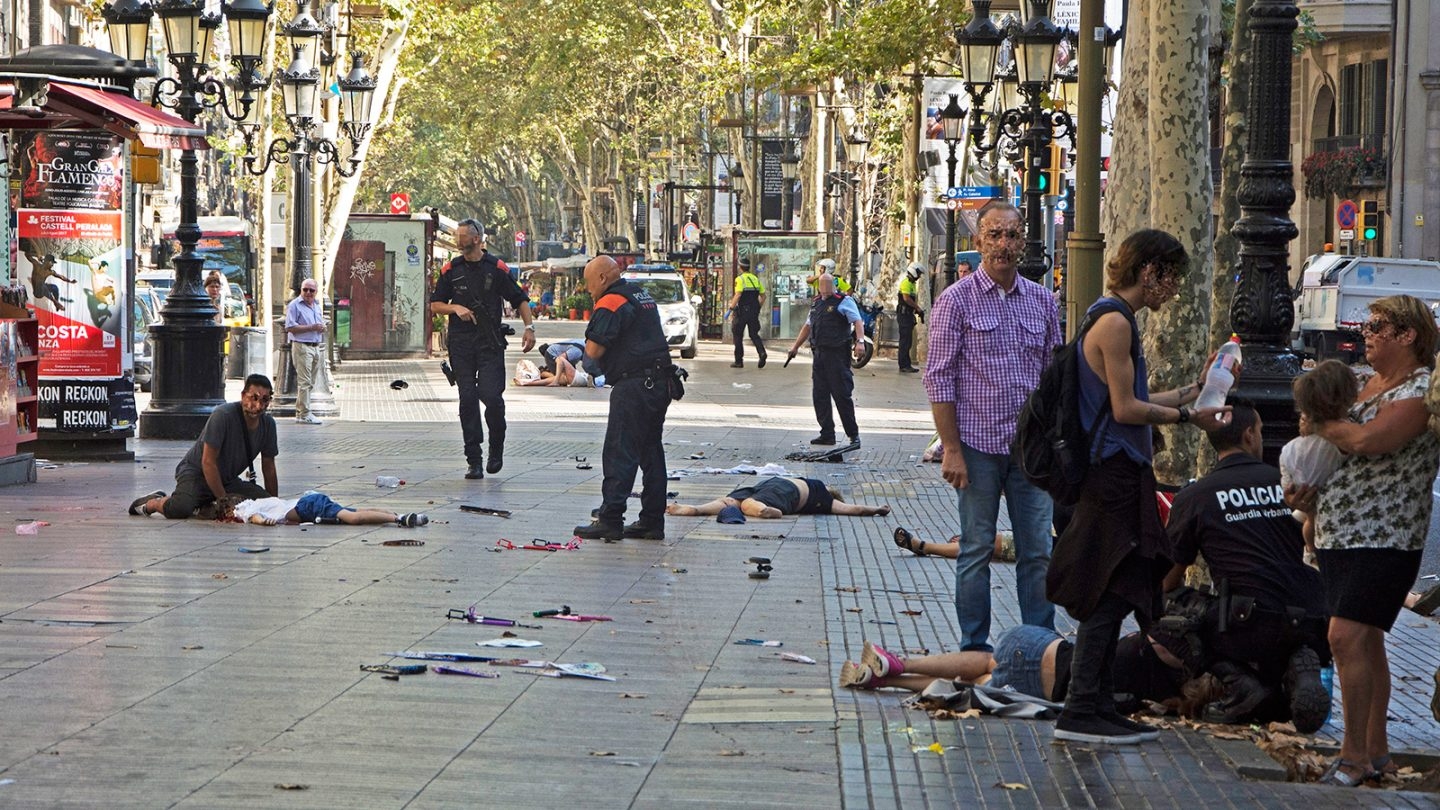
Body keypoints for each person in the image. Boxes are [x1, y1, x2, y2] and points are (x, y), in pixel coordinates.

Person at [1046, 229, 1231, 746]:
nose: (1174, 289)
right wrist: (1187, 416)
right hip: (1113, 477)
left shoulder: (1108, 316)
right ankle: (1083, 707)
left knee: (1121, 587)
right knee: (1110, 591)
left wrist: (1193, 391)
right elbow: (1128, 411)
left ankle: (1098, 704)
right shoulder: (1116, 323)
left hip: (1118, 472)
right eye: (1171, 276)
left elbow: (1123, 400)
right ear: (1150, 271)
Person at [1285, 294, 1440, 786]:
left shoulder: (1419, 391)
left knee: (1343, 637)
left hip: (1386, 536)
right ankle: (1376, 754)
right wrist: (1307, 493)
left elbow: (1369, 442)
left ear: (1407, 334)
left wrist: (1319, 423)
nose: (1366, 332)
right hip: (1339, 532)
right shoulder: (1364, 385)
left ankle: (1352, 758)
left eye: (1377, 325)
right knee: (1367, 642)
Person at [922, 202, 1062, 656]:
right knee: (976, 549)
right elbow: (938, 377)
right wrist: (951, 450)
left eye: (1012, 236)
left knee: (1038, 552)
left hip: (1030, 453)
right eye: (994, 235)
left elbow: (1053, 380)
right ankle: (973, 648)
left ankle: (1039, 647)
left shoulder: (1043, 301)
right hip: (977, 448)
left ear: (1023, 242)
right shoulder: (955, 301)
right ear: (978, 241)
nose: (1003, 244)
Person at [1161, 405, 1332, 733]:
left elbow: (1167, 577)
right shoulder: (1289, 485)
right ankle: (1298, 662)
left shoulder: (1196, 495)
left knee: (1163, 607)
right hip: (1312, 615)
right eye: (1262, 430)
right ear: (1249, 434)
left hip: (1247, 622)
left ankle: (1238, 681)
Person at [838, 628, 1193, 720]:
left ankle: (900, 664)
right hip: (1042, 693)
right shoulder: (1167, 698)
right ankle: (887, 678)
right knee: (972, 683)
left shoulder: (1163, 651)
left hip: (1038, 651)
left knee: (984, 660)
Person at [572, 256, 673, 541]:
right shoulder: (641, 295)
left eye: (589, 282)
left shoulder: (610, 301)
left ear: (603, 278)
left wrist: (590, 368)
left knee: (620, 451)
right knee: (650, 452)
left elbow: (592, 351)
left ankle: (611, 518)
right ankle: (652, 521)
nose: (588, 289)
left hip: (634, 386)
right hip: (659, 382)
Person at [430, 218, 535, 479]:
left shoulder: (496, 268)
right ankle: (473, 459)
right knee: (467, 399)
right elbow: (435, 304)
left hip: (489, 342)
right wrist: (455, 308)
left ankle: (496, 447)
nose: (458, 240)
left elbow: (520, 299)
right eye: (457, 235)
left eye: (462, 236)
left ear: (476, 239)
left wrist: (529, 328)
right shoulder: (450, 270)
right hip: (461, 342)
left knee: (492, 398)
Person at [127, 374, 279, 520]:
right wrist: (224, 501)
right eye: (254, 398)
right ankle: (155, 502)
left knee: (262, 502)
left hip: (226, 479)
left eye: (265, 400)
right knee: (180, 508)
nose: (258, 405)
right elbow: (208, 462)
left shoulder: (268, 424)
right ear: (243, 396)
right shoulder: (223, 415)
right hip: (196, 474)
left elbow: (269, 466)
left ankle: (205, 504)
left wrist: (275, 505)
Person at [787, 272, 864, 446]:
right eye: (822, 286)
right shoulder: (816, 303)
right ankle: (827, 433)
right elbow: (808, 326)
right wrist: (795, 347)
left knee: (841, 395)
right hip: (819, 355)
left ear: (833, 285)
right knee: (820, 396)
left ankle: (853, 434)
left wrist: (860, 342)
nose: (825, 289)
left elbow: (857, 321)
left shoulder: (844, 301)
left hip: (837, 355)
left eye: (828, 285)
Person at [665, 477, 891, 518]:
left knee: (729, 501)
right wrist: (877, 509)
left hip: (770, 482)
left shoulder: (812, 484)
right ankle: (762, 510)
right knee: (748, 505)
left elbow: (854, 508)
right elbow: (855, 509)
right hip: (787, 494)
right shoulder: (824, 498)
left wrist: (876, 509)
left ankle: (697, 509)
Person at [220, 492, 427, 528]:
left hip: (307, 507)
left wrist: (264, 522)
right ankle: (398, 515)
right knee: (355, 511)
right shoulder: (257, 501)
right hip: (309, 504)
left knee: (353, 518)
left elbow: (254, 517)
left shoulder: (243, 508)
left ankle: (399, 519)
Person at [285, 278, 327, 425]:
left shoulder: (316, 305)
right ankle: (305, 413)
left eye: (311, 290)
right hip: (302, 346)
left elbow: (318, 324)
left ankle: (301, 412)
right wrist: (312, 327)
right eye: (305, 290)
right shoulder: (294, 305)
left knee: (310, 382)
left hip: (315, 345)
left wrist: (321, 327)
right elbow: (290, 327)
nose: (308, 293)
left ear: (316, 292)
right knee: (304, 382)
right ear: (301, 290)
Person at [729, 256, 767, 368]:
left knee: (738, 335)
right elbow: (763, 296)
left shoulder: (739, 279)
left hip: (742, 311)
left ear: (740, 267)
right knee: (754, 334)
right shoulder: (755, 278)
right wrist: (758, 307)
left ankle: (739, 361)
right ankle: (762, 353)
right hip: (754, 311)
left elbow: (738, 294)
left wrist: (731, 308)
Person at [896, 262, 924, 373]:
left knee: (908, 341)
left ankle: (906, 364)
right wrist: (917, 308)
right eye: (919, 273)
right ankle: (903, 365)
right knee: (905, 341)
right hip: (903, 315)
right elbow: (907, 299)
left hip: (908, 315)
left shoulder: (912, 284)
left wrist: (916, 310)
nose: (919, 276)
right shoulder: (906, 283)